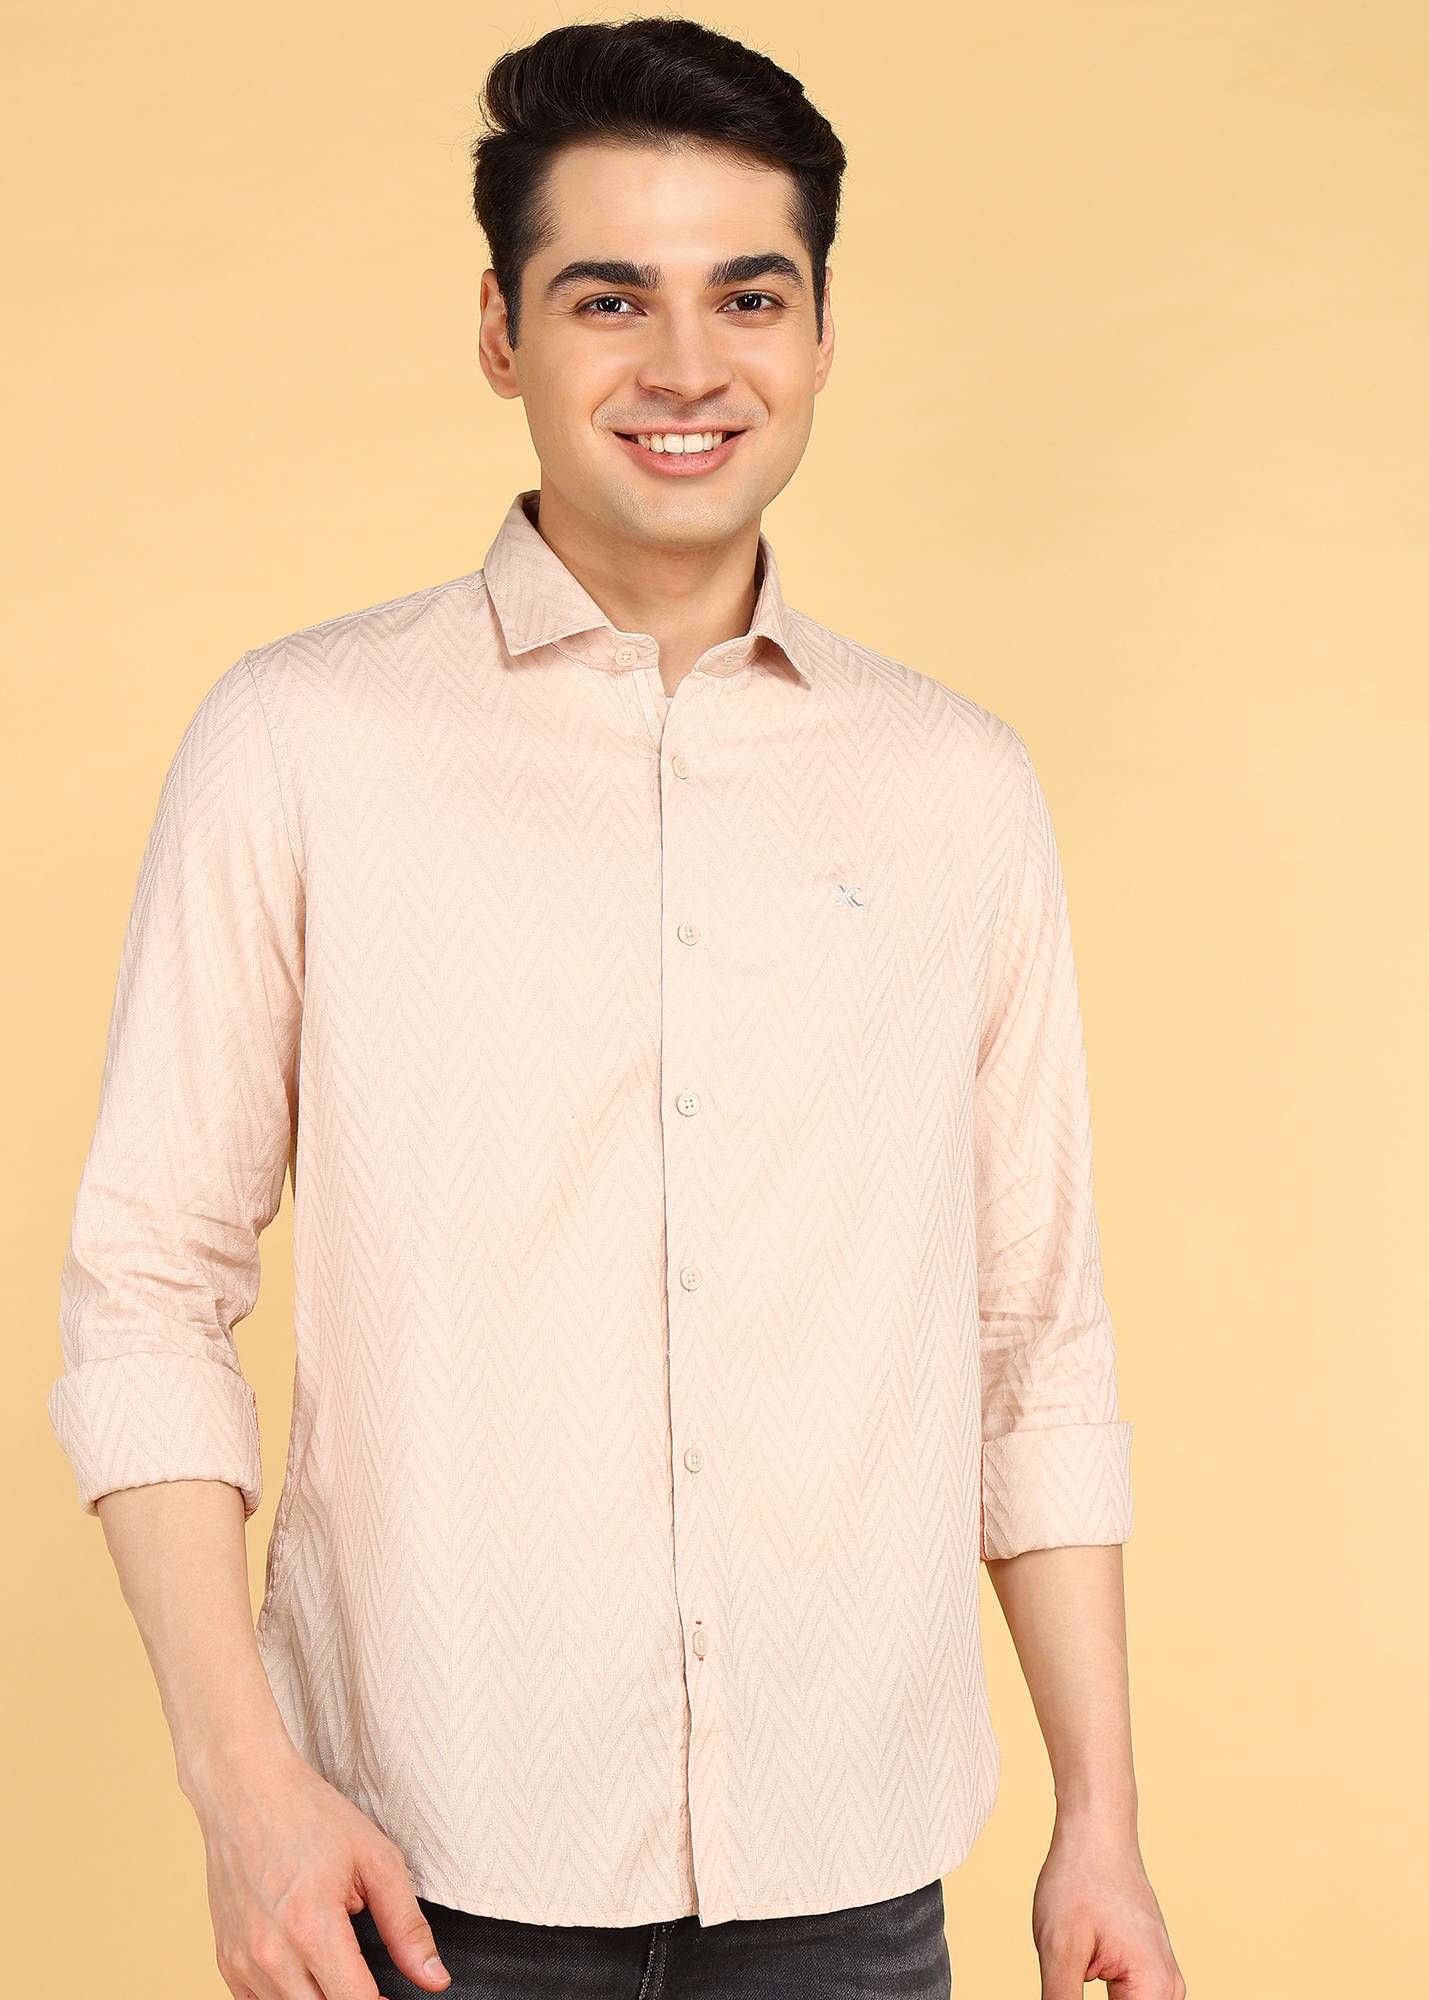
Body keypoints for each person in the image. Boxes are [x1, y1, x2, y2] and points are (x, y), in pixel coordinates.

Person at [46, 16, 1185, 1999]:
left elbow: (1033, 1326)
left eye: (747, 294)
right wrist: (242, 1792)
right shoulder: (300, 743)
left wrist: (1101, 1813)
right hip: (412, 1873)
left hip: (854, 1874)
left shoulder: (954, 787)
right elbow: (145, 1282)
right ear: (501, 332)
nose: (684, 366)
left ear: (817, 333)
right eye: (607, 298)